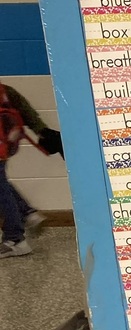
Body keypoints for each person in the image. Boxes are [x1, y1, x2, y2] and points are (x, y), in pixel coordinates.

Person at [0, 80, 61, 258]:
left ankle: (15, 239)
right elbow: (24, 109)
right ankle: (27, 213)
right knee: (2, 186)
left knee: (1, 191)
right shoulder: (4, 90)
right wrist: (41, 130)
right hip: (5, 146)